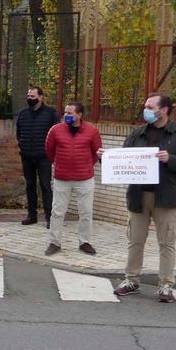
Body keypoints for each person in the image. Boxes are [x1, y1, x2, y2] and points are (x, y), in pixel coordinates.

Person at [110, 93, 176, 303]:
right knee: (135, 240)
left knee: (166, 242)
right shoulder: (137, 134)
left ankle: (166, 285)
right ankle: (131, 280)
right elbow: (124, 160)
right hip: (139, 195)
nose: (146, 110)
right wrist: (108, 159)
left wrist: (171, 159)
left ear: (164, 109)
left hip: (166, 197)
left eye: (150, 106)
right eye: (145, 106)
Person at [44, 102, 102, 257]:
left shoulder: (92, 131)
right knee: (57, 211)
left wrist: (85, 165)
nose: (66, 116)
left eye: (70, 113)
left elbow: (96, 153)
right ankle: (54, 242)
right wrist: (60, 164)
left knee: (86, 212)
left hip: (84, 179)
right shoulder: (55, 130)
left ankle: (84, 242)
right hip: (62, 178)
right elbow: (49, 151)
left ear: (79, 115)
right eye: (65, 113)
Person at [16, 85, 60, 226]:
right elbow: (19, 133)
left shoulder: (51, 113)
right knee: (30, 185)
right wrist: (22, 146)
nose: (30, 99)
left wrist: (50, 152)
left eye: (33, 97)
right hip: (27, 155)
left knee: (45, 185)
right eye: (28, 97)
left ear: (40, 97)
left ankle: (50, 217)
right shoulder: (23, 114)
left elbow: (56, 135)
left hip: (44, 156)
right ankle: (32, 215)